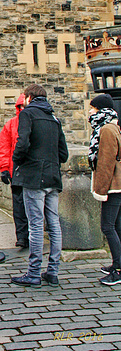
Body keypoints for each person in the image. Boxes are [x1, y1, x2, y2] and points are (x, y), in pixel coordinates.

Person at [11, 84, 69, 288]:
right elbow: (64, 154)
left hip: (35, 177)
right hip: (53, 177)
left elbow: (22, 143)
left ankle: (34, 272)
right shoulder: (54, 119)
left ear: (29, 98)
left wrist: (18, 161)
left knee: (35, 224)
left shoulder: (28, 114)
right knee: (53, 224)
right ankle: (53, 271)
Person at [88, 93, 121, 286]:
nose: (90, 111)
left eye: (92, 108)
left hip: (113, 186)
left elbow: (106, 161)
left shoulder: (106, 129)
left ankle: (117, 269)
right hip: (117, 184)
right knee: (116, 226)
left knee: (107, 226)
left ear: (100, 110)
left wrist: (101, 189)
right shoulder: (113, 126)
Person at [0, 94, 29, 248]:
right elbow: (3, 148)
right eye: (21, 107)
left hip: (32, 170)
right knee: (19, 205)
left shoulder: (35, 122)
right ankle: (22, 236)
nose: (23, 109)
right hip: (16, 170)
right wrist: (4, 168)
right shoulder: (11, 125)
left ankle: (34, 235)